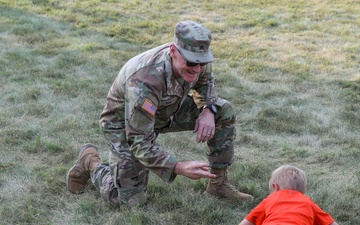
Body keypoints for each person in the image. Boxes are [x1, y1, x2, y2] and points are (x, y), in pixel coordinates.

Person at [66, 20, 253, 206]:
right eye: (191, 62)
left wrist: (208, 109)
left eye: (202, 62)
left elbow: (205, 82)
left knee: (223, 110)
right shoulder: (144, 81)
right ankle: (90, 162)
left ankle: (218, 184)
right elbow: (139, 140)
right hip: (124, 125)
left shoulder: (197, 56)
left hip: (166, 111)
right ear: (173, 51)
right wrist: (178, 167)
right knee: (131, 201)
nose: (197, 68)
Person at [238, 165, 339, 225]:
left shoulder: (270, 199)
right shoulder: (308, 202)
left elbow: (246, 223)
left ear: (275, 187)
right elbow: (331, 223)